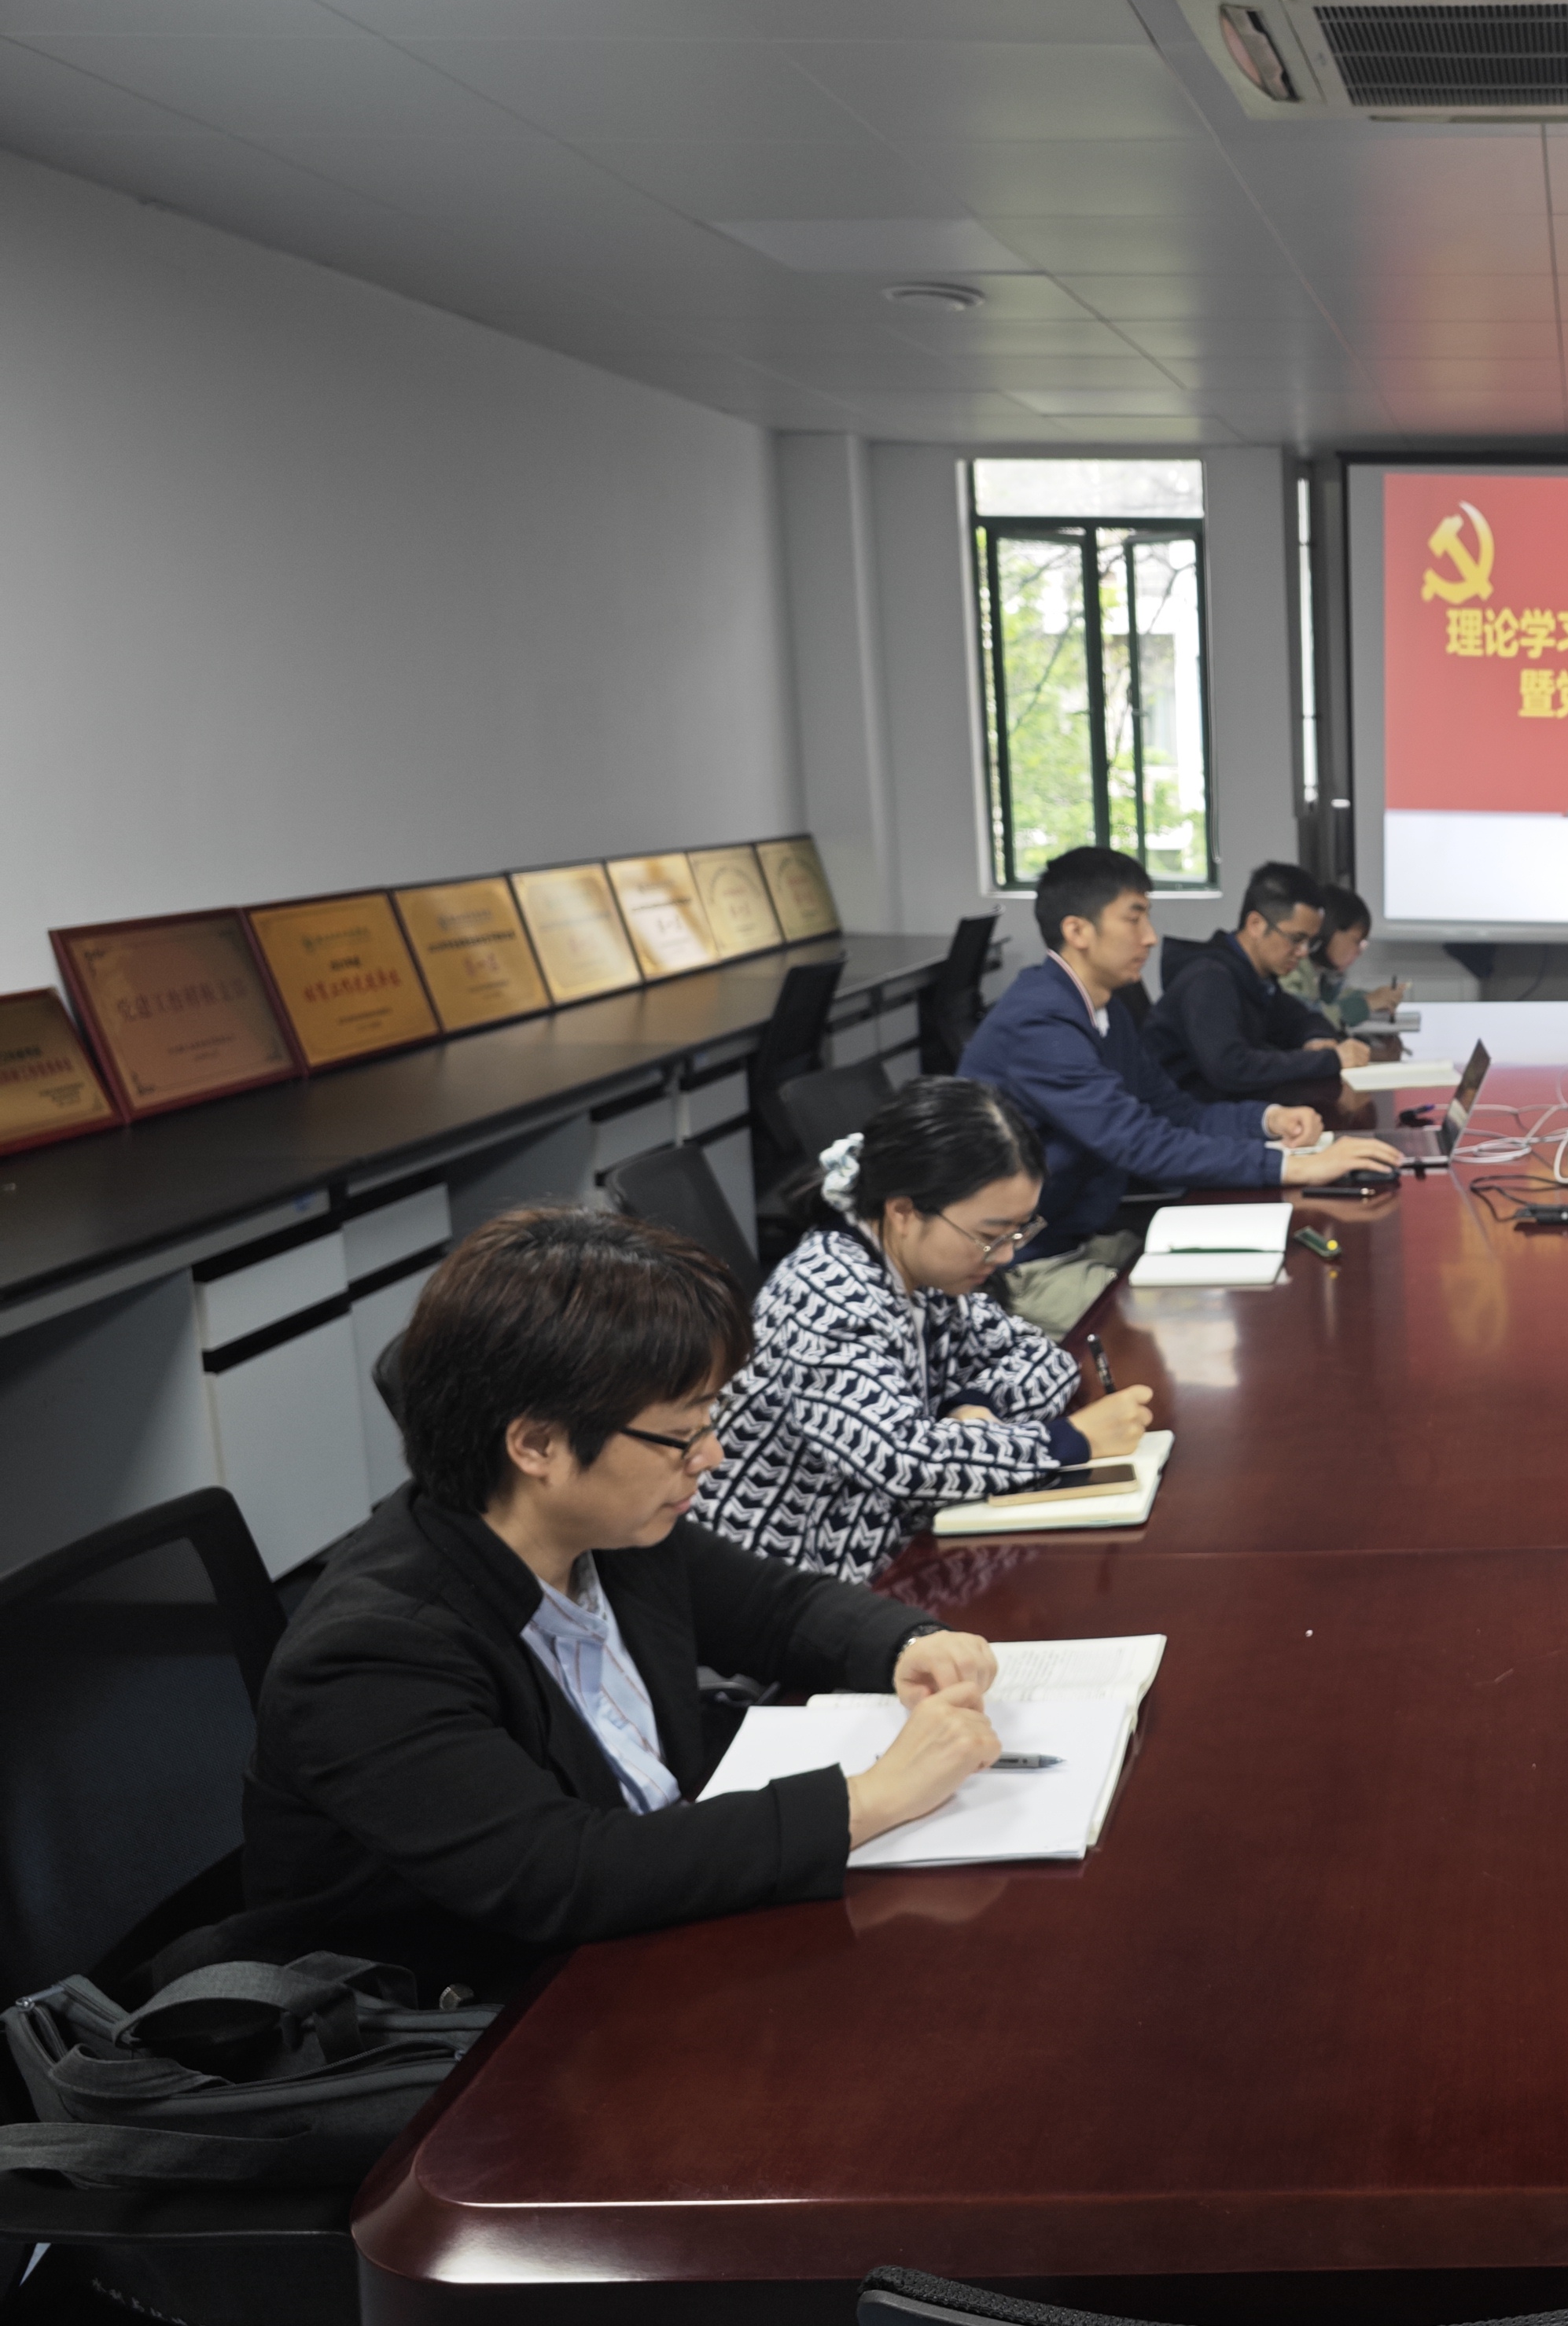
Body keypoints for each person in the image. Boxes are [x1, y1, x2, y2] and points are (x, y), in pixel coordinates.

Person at [189, 1209, 1007, 2001]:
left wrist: (909, 1643)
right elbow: (565, 1874)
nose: (712, 1455)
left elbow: (774, 1609)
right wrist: (875, 1796)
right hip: (477, 2017)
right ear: (537, 1444)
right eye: (681, 1434)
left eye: (709, 1417)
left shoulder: (608, 1530)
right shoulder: (373, 1654)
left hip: (638, 1948)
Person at [696, 1077, 1158, 1585]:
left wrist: (975, 1405)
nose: (1006, 1255)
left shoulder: (925, 1274)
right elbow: (902, 1459)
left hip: (896, 1546)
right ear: (903, 1211)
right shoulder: (825, 1295)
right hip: (794, 1580)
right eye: (990, 1235)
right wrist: (1070, 1440)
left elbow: (1041, 1357)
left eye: (1018, 1232)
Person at [957, 845, 1403, 1335]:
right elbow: (1139, 1141)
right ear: (1077, 931)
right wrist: (1292, 1165)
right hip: (1024, 1267)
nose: (1150, 937)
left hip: (1080, 1237)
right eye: (1134, 919)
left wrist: (1267, 1120)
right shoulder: (1040, 1023)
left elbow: (1176, 1111)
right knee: (1193, 1329)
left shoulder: (1102, 1010)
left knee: (1266, 1281)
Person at [1147, 859, 1371, 1099]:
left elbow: (1302, 1019)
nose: (1303, 952)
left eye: (1311, 942)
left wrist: (1316, 1039)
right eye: (1296, 939)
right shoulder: (1209, 978)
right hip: (1189, 1112)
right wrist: (1327, 1060)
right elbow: (1231, 1068)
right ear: (1255, 924)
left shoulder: (1257, 978)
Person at [1283, 883, 1406, 1032]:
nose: (1359, 952)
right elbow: (1304, 1018)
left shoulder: (1321, 972)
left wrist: (1377, 999)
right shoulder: (1291, 967)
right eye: (1356, 941)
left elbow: (1340, 997)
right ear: (1329, 929)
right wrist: (1366, 1004)